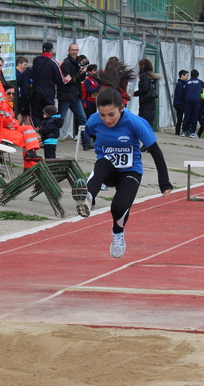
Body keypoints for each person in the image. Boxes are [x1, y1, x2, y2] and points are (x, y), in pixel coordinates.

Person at [72, 58, 173, 257]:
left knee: (118, 207)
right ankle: (87, 198)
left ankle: (118, 233)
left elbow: (156, 152)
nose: (107, 120)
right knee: (102, 163)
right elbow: (91, 132)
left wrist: (164, 182)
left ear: (121, 108)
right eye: (103, 115)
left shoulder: (136, 123)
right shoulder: (94, 121)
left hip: (130, 171)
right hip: (108, 168)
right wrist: (102, 145)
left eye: (111, 115)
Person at [0, 55, 41, 167]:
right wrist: (2, 106)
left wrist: (4, 109)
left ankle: (30, 157)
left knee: (29, 131)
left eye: (0, 65)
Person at [30, 41, 70, 128]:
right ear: (51, 51)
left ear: (42, 49)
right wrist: (68, 79)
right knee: (49, 114)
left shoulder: (36, 60)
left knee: (36, 114)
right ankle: (47, 134)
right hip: (48, 94)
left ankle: (38, 133)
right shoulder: (54, 63)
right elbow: (60, 81)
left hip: (36, 92)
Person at [58, 42, 88, 148]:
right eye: (73, 50)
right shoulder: (66, 63)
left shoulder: (78, 61)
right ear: (68, 51)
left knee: (82, 118)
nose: (75, 52)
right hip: (65, 95)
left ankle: (86, 143)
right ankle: (50, 139)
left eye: (76, 50)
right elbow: (68, 80)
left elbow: (80, 79)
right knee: (60, 119)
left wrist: (83, 72)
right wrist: (79, 74)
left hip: (75, 95)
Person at [133, 58, 160, 128]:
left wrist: (135, 93)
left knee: (144, 120)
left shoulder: (144, 77)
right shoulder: (151, 76)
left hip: (145, 100)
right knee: (149, 120)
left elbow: (145, 89)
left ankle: (145, 136)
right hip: (151, 99)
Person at [181, 69, 204, 139]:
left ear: (191, 76)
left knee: (187, 115)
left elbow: (184, 90)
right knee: (195, 116)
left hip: (188, 100)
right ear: (197, 76)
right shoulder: (200, 82)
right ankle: (193, 132)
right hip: (196, 100)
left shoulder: (187, 82)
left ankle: (184, 131)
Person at [81, 63, 100, 149]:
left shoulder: (94, 79)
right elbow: (90, 90)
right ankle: (86, 140)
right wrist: (98, 87)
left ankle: (92, 140)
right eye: (94, 70)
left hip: (93, 102)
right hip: (87, 102)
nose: (96, 72)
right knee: (88, 121)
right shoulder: (87, 80)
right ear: (89, 71)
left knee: (93, 121)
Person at [15, 56, 32, 122]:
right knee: (21, 113)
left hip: (22, 95)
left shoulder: (22, 72)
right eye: (24, 65)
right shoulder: (18, 74)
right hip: (20, 96)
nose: (25, 67)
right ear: (19, 64)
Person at [173, 70, 188, 136]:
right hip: (179, 104)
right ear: (182, 75)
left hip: (179, 103)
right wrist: (185, 100)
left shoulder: (183, 83)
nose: (188, 77)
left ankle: (177, 132)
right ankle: (184, 130)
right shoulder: (180, 84)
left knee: (179, 118)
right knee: (187, 114)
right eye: (187, 76)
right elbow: (180, 94)